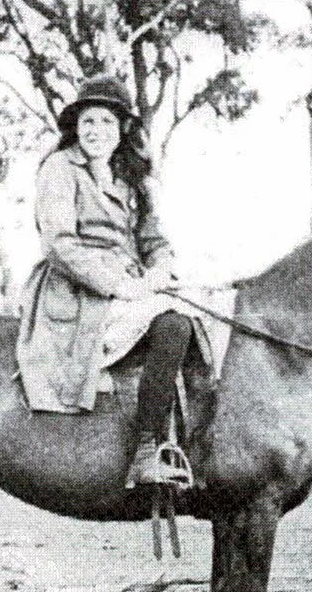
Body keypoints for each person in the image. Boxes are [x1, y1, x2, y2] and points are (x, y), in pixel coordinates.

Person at [16, 74, 198, 488]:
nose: (96, 131)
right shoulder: (60, 168)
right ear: (76, 127)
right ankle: (146, 452)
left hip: (132, 284)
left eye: (106, 123)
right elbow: (59, 245)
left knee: (201, 319)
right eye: (88, 122)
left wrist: (158, 271)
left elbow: (155, 239)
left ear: (122, 130)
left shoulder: (132, 177)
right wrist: (120, 285)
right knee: (173, 325)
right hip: (77, 288)